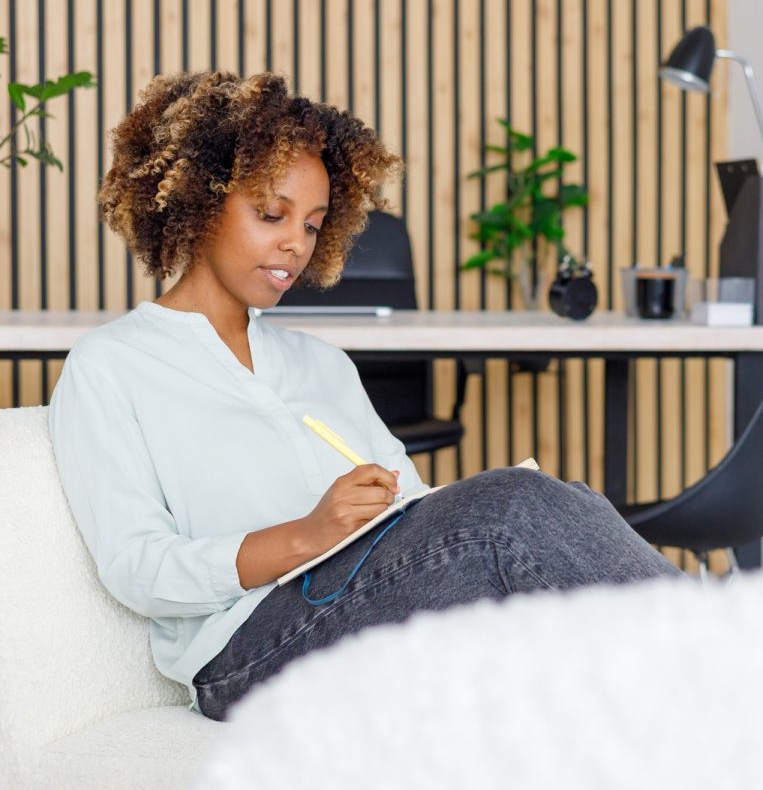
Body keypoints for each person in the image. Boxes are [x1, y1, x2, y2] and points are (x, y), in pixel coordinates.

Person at [48, 70, 682, 722]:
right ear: (199, 200)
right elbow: (137, 567)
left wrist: (416, 513)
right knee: (511, 510)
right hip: (246, 650)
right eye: (271, 214)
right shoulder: (113, 366)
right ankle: (721, 653)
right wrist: (306, 536)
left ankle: (691, 695)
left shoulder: (322, 364)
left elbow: (415, 511)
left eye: (314, 225)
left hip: (366, 603)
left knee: (567, 508)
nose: (295, 244)